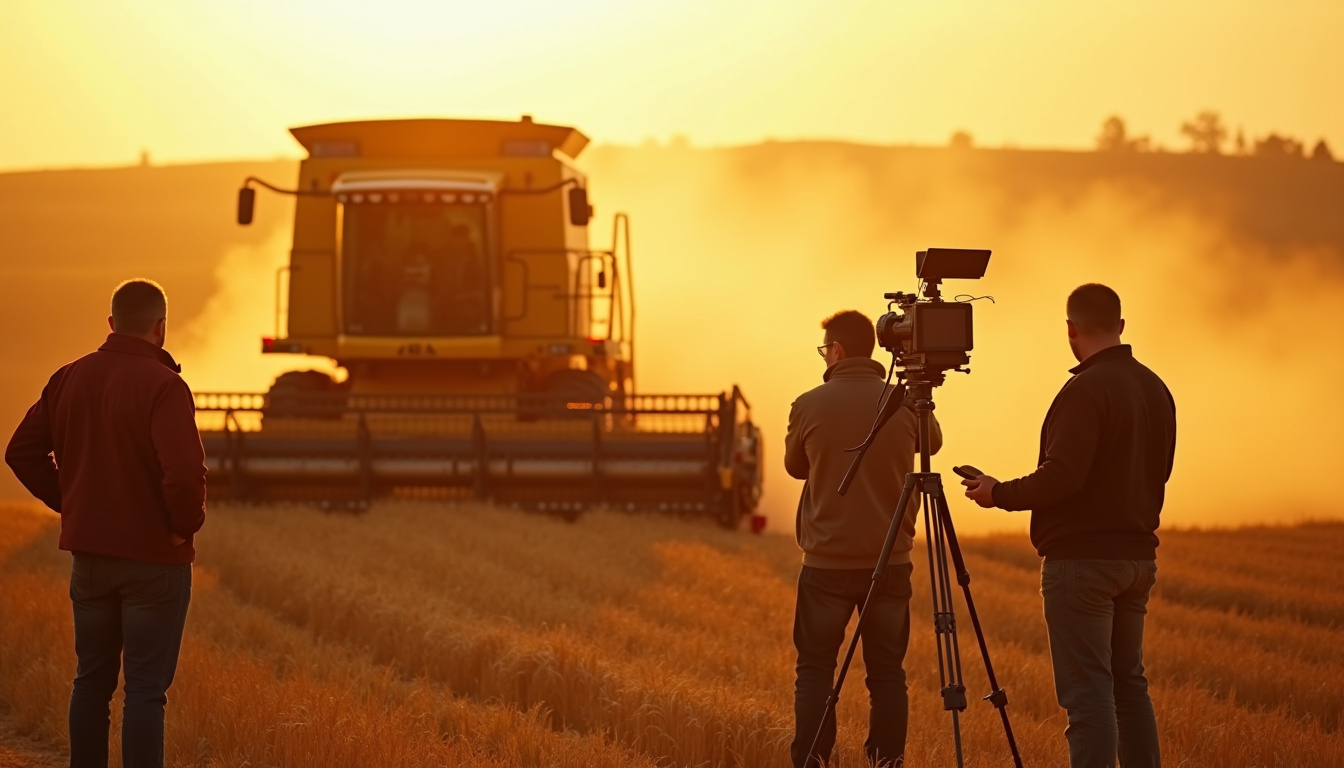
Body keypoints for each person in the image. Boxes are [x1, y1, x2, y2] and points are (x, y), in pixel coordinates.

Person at [961, 283, 1175, 768]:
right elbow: (1160, 469)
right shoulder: (1154, 387)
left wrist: (999, 494)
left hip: (1083, 565)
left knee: (1089, 695)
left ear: (1070, 330)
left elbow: (1063, 477)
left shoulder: (1084, 390)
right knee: (1129, 686)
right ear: (1121, 327)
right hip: (1138, 559)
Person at [5, 279, 207, 768]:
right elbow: (183, 475)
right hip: (155, 564)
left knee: (90, 682)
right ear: (160, 328)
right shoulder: (165, 386)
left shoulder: (68, 377)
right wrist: (183, 527)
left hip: (90, 561)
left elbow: (21, 452)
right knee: (144, 690)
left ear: (112, 323)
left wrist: (73, 503)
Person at [785, 310, 942, 768]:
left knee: (815, 671)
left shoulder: (808, 404)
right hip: (889, 562)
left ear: (836, 351)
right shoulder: (907, 401)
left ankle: (813, 761)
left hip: (825, 566)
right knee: (888, 676)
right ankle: (886, 762)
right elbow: (931, 442)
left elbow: (797, 467)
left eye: (824, 350)